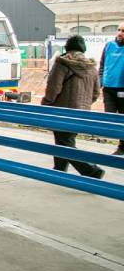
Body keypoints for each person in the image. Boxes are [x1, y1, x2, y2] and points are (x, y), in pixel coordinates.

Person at [42, 35, 104, 178]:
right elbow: (95, 93)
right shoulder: (91, 68)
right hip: (83, 112)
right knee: (64, 140)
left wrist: (46, 103)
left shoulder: (62, 63)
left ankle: (91, 170)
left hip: (62, 111)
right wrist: (84, 105)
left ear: (67, 47)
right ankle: (59, 170)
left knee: (64, 142)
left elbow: (53, 88)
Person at [99, 22, 124, 155]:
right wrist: (100, 81)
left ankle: (122, 147)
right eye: (119, 30)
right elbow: (102, 64)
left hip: (122, 89)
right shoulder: (109, 45)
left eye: (123, 31)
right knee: (110, 117)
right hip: (108, 88)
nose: (120, 33)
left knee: (122, 118)